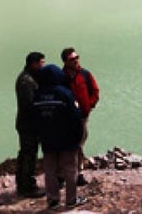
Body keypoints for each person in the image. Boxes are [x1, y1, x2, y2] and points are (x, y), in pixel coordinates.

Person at [33, 64, 87, 209]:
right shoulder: (65, 94)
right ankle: (71, 200)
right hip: (67, 140)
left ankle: (53, 199)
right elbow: (75, 117)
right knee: (70, 169)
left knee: (50, 170)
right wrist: (77, 138)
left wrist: (40, 136)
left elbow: (35, 119)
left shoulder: (37, 96)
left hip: (47, 140)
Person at [60, 47, 99, 186]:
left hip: (82, 117)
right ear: (65, 61)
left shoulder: (85, 74)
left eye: (77, 57)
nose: (76, 60)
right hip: (65, 118)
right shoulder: (60, 76)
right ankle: (62, 174)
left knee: (79, 144)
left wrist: (89, 105)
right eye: (72, 59)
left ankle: (79, 173)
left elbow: (95, 91)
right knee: (65, 145)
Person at [14, 51, 47, 198]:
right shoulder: (26, 81)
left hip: (28, 123)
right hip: (28, 125)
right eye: (41, 63)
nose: (42, 66)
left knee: (27, 153)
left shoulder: (29, 78)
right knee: (29, 155)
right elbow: (29, 105)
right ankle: (27, 187)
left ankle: (23, 184)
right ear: (34, 64)